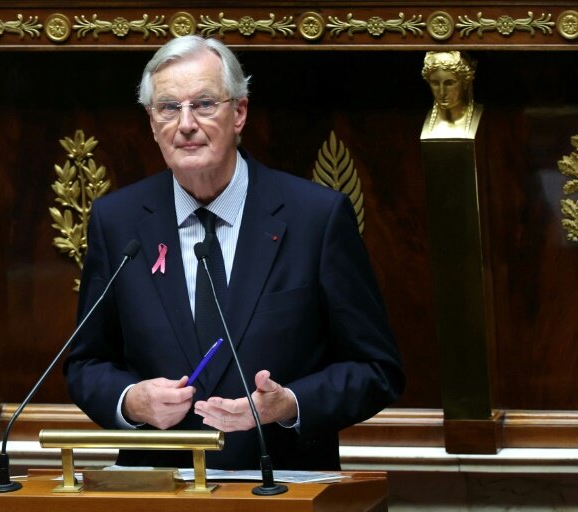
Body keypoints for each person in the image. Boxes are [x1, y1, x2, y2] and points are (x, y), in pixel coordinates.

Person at [64, 35, 404, 471]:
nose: (185, 123)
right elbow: (86, 363)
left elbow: (377, 369)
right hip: (159, 488)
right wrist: (131, 401)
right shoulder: (117, 221)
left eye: (204, 104)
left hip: (281, 484)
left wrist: (288, 404)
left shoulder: (314, 218)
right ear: (152, 123)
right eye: (168, 108)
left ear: (239, 112)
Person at [421, 51, 481, 138]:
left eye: (449, 83)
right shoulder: (418, 121)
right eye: (435, 83)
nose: (442, 92)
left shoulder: (487, 122)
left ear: (465, 83)